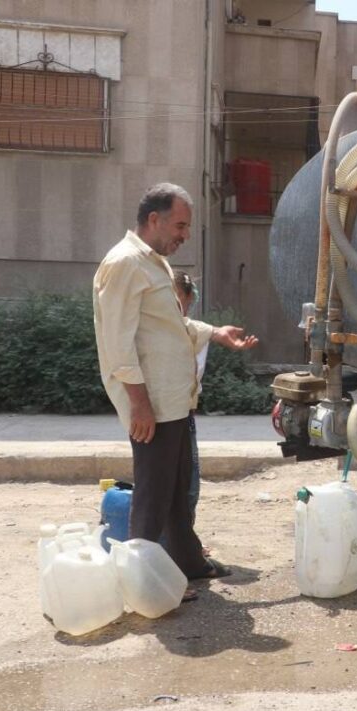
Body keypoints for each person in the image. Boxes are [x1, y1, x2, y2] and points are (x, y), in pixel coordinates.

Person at [93, 183, 258, 581]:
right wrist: (140, 404)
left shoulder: (155, 264)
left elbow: (169, 327)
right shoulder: (124, 263)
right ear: (154, 219)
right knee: (153, 495)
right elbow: (117, 344)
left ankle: (188, 562)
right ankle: (142, 580)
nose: (185, 235)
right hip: (152, 404)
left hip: (173, 401)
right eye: (180, 226)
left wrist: (215, 332)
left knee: (177, 490)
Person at [172, 271, 207, 529]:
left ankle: (184, 539)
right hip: (162, 415)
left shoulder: (194, 333)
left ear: (187, 299)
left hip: (183, 413)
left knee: (189, 483)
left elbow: (193, 376)